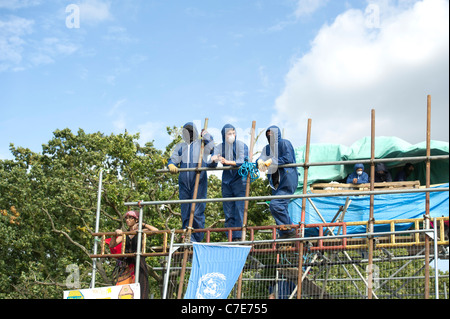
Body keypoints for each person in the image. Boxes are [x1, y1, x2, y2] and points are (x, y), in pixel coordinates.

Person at [167, 122, 215, 242]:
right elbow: (173, 159)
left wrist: (207, 135)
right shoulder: (180, 147)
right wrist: (171, 164)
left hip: (199, 180)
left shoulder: (201, 144)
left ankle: (196, 239)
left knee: (197, 211)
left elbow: (212, 148)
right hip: (184, 183)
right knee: (185, 211)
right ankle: (187, 236)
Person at [256, 125, 299, 239]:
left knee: (276, 205)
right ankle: (285, 233)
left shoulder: (284, 143)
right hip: (275, 183)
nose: (270, 135)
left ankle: (289, 231)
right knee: (281, 207)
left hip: (287, 179)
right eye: (268, 133)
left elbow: (288, 158)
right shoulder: (267, 148)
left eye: (272, 133)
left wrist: (272, 161)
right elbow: (261, 158)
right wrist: (259, 161)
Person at [210, 124, 249, 241]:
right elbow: (211, 161)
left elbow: (242, 160)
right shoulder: (220, 147)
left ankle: (239, 237)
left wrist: (227, 161)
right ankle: (231, 237)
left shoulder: (241, 145)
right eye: (229, 134)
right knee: (228, 211)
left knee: (239, 209)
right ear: (224, 135)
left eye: (233, 133)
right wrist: (213, 160)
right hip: (227, 181)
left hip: (240, 180)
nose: (232, 136)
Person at [109, 210, 159, 299]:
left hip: (139, 263)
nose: (128, 220)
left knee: (140, 287)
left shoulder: (141, 231)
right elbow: (112, 244)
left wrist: (143, 225)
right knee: (123, 288)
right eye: (126, 218)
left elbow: (156, 231)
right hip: (127, 264)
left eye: (130, 218)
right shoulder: (125, 233)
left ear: (136, 220)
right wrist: (115, 234)